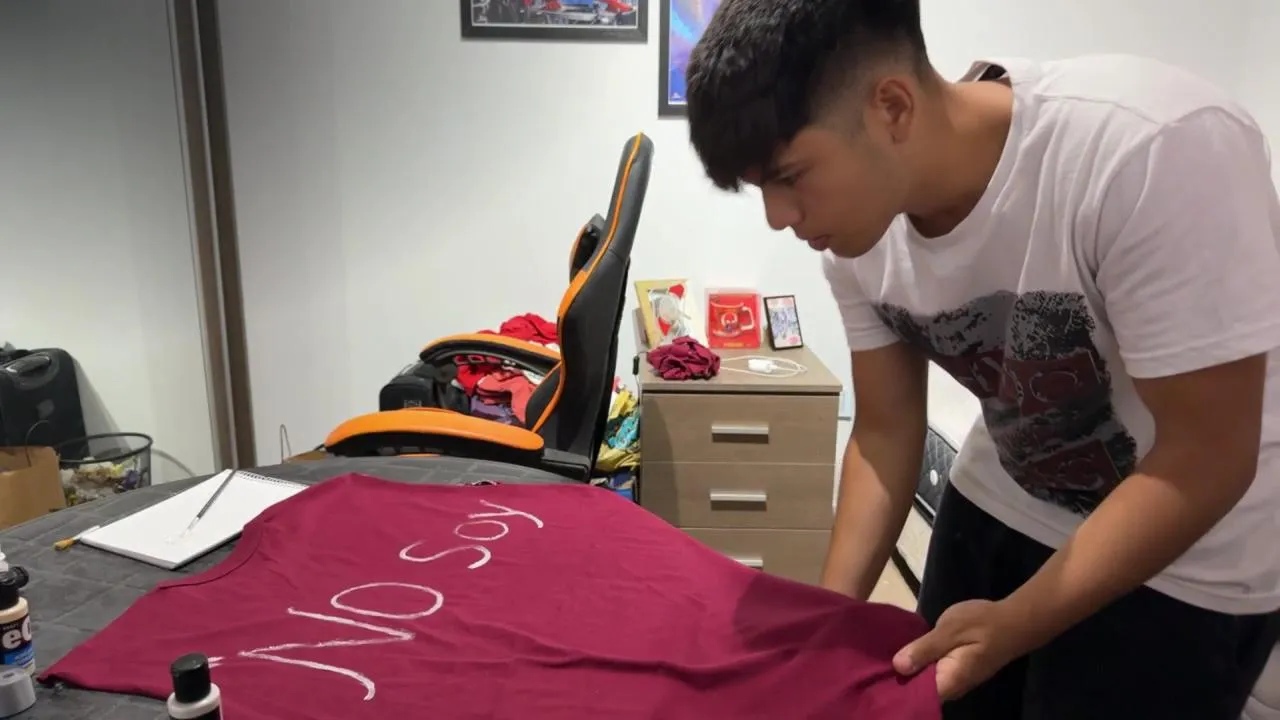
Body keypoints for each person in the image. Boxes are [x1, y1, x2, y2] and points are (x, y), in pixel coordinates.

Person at [684, 1, 1280, 718]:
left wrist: (1017, 623)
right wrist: (828, 621)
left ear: (892, 107)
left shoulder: (1152, 149)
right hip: (1005, 496)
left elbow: (1207, 457)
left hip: (1189, 556)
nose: (778, 216)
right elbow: (884, 432)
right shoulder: (855, 238)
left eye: (790, 176)